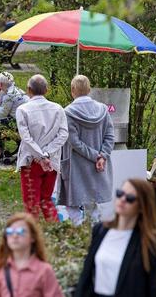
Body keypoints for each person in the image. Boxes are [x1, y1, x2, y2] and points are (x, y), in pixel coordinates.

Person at [75, 178, 156, 297]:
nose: (122, 199)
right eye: (120, 193)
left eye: (130, 198)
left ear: (142, 206)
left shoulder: (150, 240)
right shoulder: (101, 230)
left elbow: (155, 288)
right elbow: (86, 275)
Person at [59, 75, 115, 226]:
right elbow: (110, 136)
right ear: (89, 90)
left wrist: (95, 156)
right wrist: (101, 156)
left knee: (72, 203)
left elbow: (74, 142)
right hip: (99, 166)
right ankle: (94, 233)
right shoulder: (103, 110)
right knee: (93, 203)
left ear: (72, 91)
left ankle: (80, 232)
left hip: (76, 166)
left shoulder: (68, 112)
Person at [15, 74, 68, 221]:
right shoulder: (58, 109)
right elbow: (63, 134)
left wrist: (40, 155)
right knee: (46, 200)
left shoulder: (23, 110)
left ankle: (32, 238)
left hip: (31, 161)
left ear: (29, 90)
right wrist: (47, 153)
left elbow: (26, 138)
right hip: (52, 162)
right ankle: (57, 232)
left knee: (31, 204)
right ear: (46, 89)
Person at [0, 213, 63, 297]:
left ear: (32, 237)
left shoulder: (44, 270)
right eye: (10, 231)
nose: (14, 236)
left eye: (21, 231)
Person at [0, 72, 28, 164]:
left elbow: (1, 114)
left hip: (22, 125)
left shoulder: (10, 94)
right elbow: (3, 112)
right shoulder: (9, 91)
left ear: (2, 83)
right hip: (20, 121)